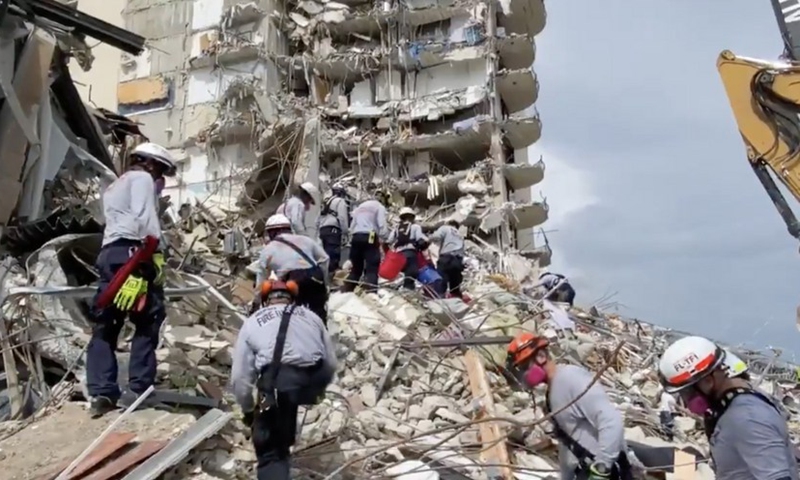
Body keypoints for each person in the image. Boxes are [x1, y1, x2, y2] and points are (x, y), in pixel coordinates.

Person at [87, 142, 177, 418]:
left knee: (106, 323)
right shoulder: (142, 179)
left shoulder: (114, 185)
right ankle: (139, 390)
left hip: (109, 253)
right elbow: (145, 219)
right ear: (151, 164)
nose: (160, 180)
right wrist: (147, 261)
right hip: (134, 251)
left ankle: (102, 392)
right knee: (148, 319)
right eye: (161, 172)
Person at [231, 280, 336, 480]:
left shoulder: (253, 321)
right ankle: (286, 439)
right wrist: (318, 390)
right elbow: (330, 362)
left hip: (278, 383)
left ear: (265, 301)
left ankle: (276, 461)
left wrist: (247, 410)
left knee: (269, 447)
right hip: (311, 379)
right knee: (286, 413)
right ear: (292, 299)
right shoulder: (312, 317)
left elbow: (240, 377)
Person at [658, 336, 798, 480]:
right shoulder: (731, 404)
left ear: (707, 381)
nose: (686, 402)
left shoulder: (747, 419)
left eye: (687, 392)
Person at [506, 333, 631, 480]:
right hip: (587, 469)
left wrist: (602, 468)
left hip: (608, 471)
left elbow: (611, 420)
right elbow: (568, 444)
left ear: (541, 356)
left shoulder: (571, 378)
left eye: (525, 367)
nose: (524, 375)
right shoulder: (552, 390)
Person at [256, 214, 330, 324]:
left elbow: (261, 277)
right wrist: (325, 282)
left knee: (294, 316)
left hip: (293, 281)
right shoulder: (306, 240)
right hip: (315, 277)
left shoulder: (269, 248)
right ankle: (321, 334)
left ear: (272, 232)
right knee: (319, 313)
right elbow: (324, 259)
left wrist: (257, 301)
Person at [342, 191, 389, 293]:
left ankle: (346, 291)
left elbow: (352, 226)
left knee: (356, 267)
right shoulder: (379, 206)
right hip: (370, 236)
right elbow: (382, 225)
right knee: (372, 265)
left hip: (356, 236)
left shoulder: (360, 207)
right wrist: (386, 238)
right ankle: (371, 291)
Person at [387, 207, 428, 291]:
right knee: (411, 272)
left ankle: (398, 288)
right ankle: (408, 290)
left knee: (401, 272)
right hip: (410, 253)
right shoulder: (415, 227)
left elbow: (389, 240)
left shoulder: (396, 228)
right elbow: (420, 238)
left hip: (398, 255)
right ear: (412, 217)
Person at [316, 183, 350, 275]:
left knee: (325, 255)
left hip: (323, 230)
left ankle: (324, 277)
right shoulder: (340, 201)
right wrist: (345, 232)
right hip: (333, 230)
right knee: (333, 255)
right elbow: (342, 218)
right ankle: (332, 279)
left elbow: (317, 220)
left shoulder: (326, 202)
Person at [430, 219, 466, 298]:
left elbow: (435, 237)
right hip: (458, 261)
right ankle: (457, 302)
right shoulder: (460, 235)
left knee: (441, 280)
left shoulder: (445, 228)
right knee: (455, 284)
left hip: (446, 258)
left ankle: (440, 300)